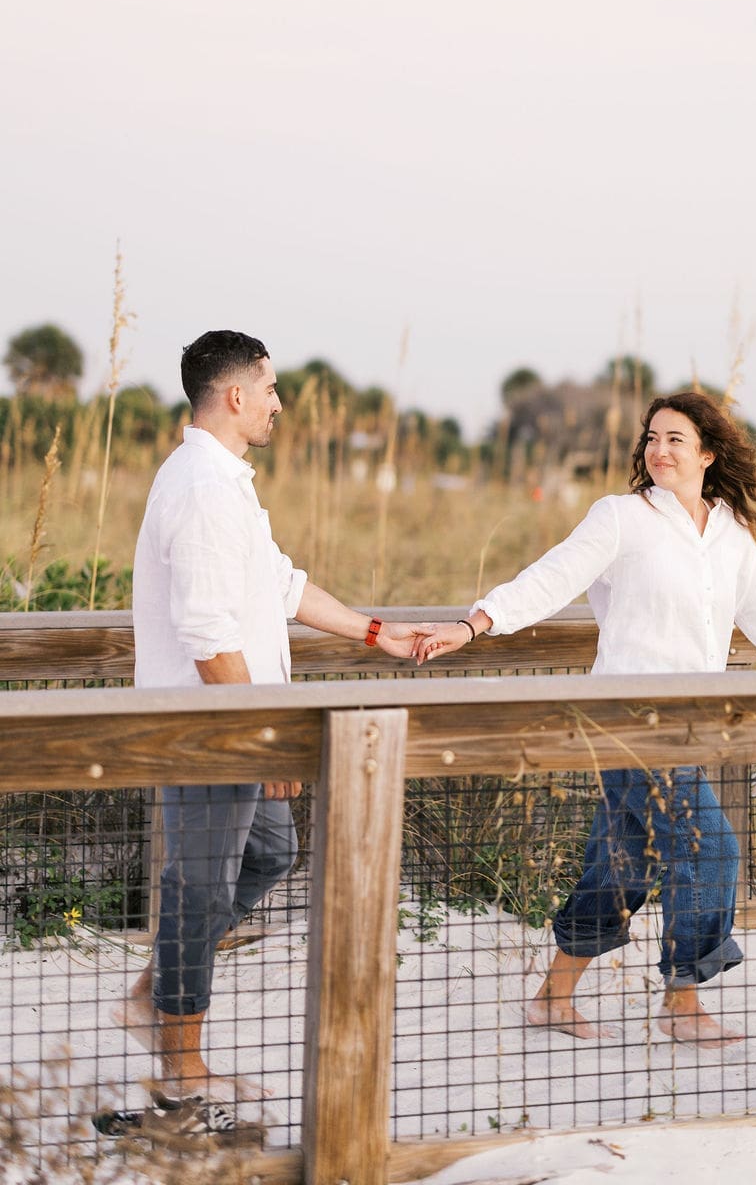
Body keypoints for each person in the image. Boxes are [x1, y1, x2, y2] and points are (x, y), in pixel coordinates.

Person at [416, 391, 756, 1045]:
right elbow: (551, 578)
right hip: (625, 724)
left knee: (623, 867)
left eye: (675, 438)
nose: (658, 449)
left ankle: (553, 998)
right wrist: (475, 623)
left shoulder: (730, 534)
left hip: (689, 728)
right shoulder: (621, 517)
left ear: (707, 452)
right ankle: (682, 1003)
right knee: (713, 848)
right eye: (651, 438)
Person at [116, 329, 421, 1100]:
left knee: (267, 856)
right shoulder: (203, 490)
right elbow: (208, 634)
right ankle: (180, 1060)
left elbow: (280, 586)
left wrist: (377, 633)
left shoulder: (226, 483)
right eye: (272, 388)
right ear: (236, 396)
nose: (280, 403)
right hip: (211, 732)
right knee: (201, 887)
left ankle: (153, 993)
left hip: (233, 725)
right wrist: (267, 744)